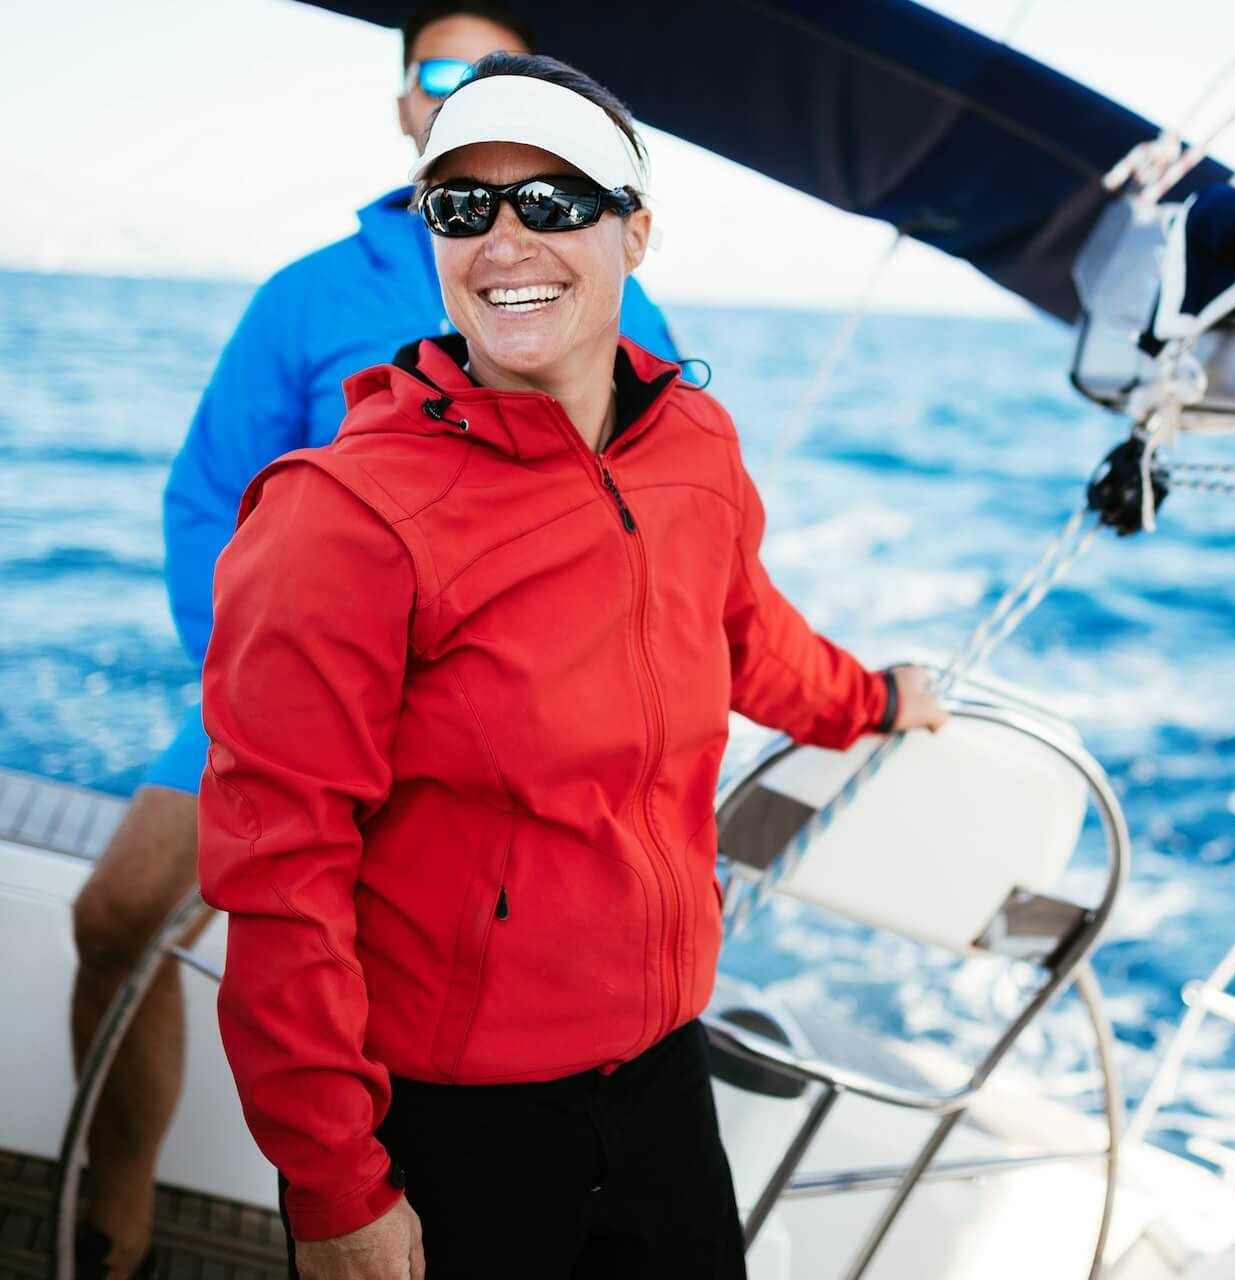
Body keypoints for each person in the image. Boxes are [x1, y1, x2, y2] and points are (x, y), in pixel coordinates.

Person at [196, 51, 949, 1279]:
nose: (505, 239)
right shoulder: (342, 514)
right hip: (453, 1122)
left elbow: (747, 632)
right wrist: (334, 1188)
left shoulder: (693, 442)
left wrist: (874, 701)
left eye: (552, 202)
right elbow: (279, 869)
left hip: (660, 1074)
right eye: (464, 205)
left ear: (636, 232)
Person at [64, 7, 678, 1278]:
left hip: (506, 713)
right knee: (115, 911)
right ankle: (110, 1215)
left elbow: (657, 536)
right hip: (290, 694)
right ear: (408, 112)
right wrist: (258, 691)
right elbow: (206, 500)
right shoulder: (305, 297)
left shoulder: (626, 303)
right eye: (441, 78)